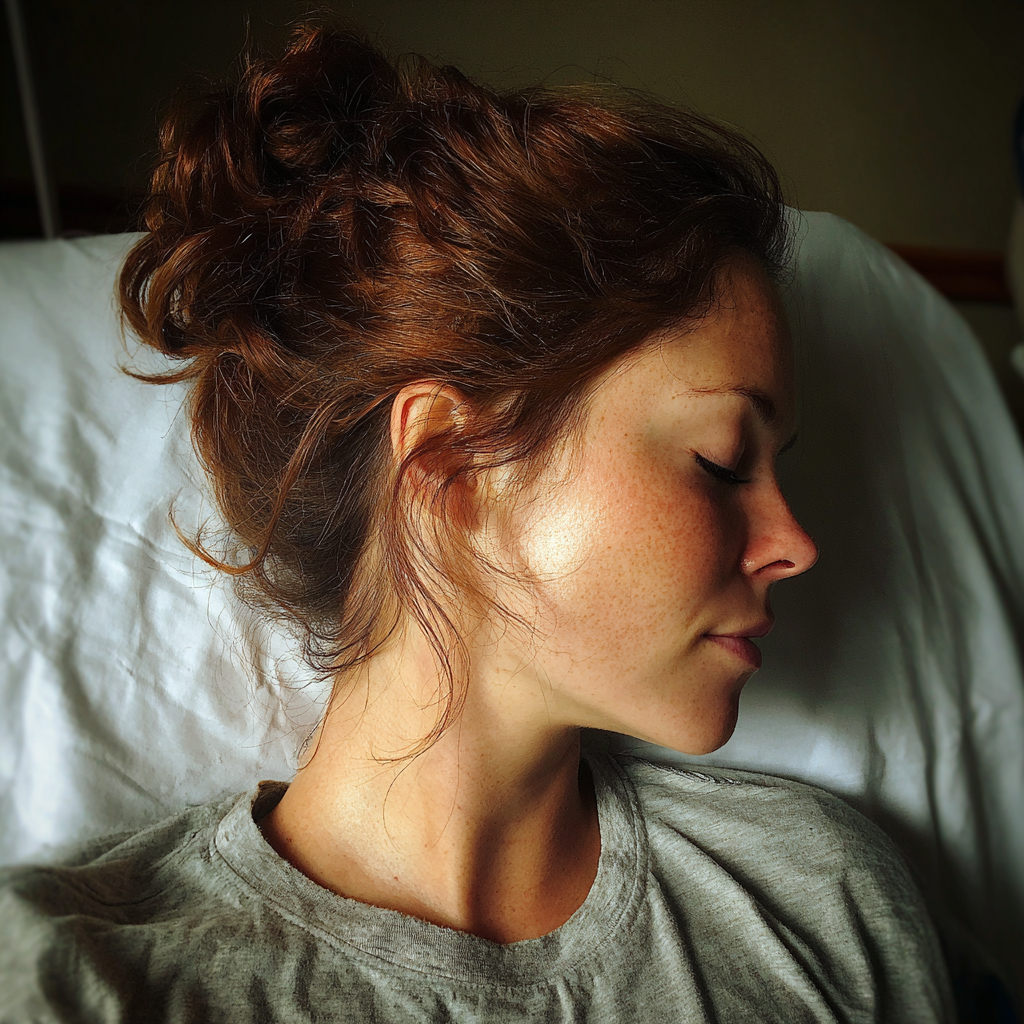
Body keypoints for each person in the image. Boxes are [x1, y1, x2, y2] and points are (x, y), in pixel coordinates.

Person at [0, 23, 953, 1023]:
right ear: (454, 469)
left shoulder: (814, 908)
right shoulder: (78, 982)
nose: (793, 542)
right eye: (720, 460)